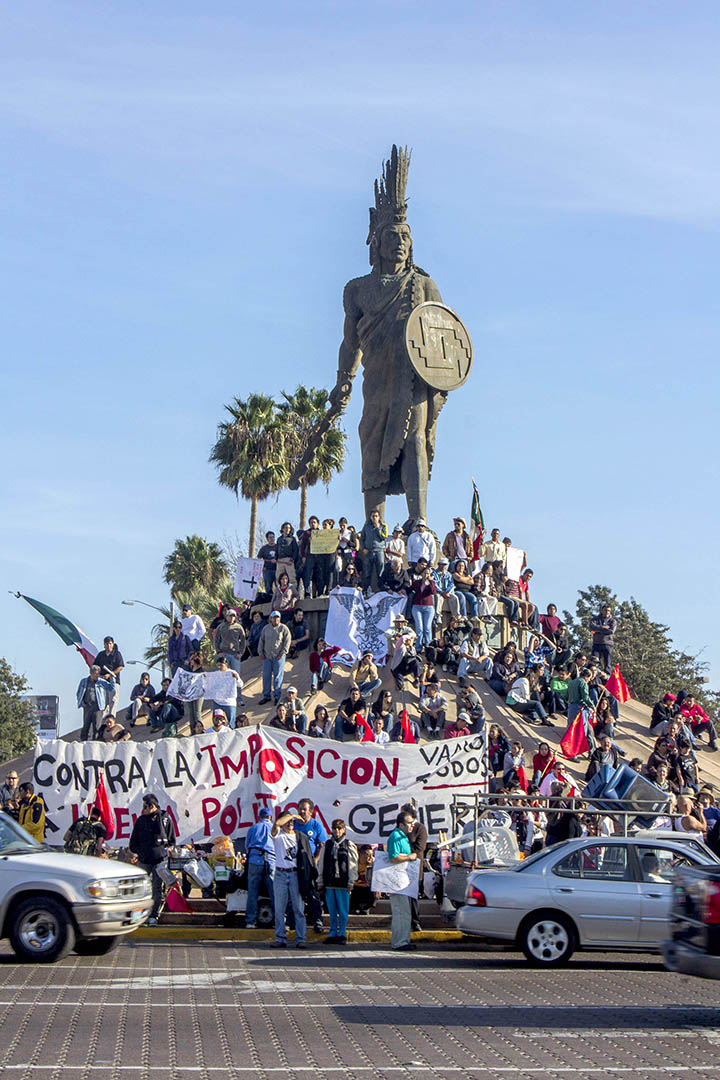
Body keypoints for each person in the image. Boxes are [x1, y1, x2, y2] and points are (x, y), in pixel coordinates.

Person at [270, 809, 314, 949]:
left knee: (298, 908)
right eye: (287, 820)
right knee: (279, 908)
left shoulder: (299, 836)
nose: (290, 823)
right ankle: (280, 937)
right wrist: (293, 815)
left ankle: (301, 938)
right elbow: (277, 824)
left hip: (295, 874)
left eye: (292, 821)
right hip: (280, 874)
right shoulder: (278, 836)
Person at [128, 793, 176, 925]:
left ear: (152, 806)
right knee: (140, 888)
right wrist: (139, 853)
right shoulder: (141, 820)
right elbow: (133, 842)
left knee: (156, 888)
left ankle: (153, 915)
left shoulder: (165, 819)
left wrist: (167, 851)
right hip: (144, 860)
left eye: (145, 806)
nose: (143, 810)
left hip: (160, 860)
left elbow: (171, 840)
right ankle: (137, 915)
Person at [318, 818, 358, 945]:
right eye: (334, 828)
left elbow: (353, 864)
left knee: (343, 910)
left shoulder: (348, 845)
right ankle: (333, 933)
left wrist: (351, 881)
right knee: (332, 910)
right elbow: (322, 864)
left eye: (339, 828)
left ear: (344, 830)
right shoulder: (327, 845)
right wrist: (320, 880)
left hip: (342, 883)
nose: (337, 831)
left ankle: (342, 933)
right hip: (330, 882)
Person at [386, 810, 418, 951]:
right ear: (401, 824)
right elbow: (393, 857)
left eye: (413, 823)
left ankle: (404, 939)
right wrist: (409, 857)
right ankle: (399, 942)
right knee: (400, 912)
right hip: (397, 881)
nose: (412, 826)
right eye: (409, 823)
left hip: (404, 881)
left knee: (405, 912)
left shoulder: (404, 837)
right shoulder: (395, 836)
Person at [244, 807, 276, 929]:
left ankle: (250, 921)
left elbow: (247, 846)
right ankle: (279, 920)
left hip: (254, 861)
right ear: (270, 817)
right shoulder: (274, 828)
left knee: (252, 893)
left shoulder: (253, 828)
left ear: (259, 817)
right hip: (271, 861)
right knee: (274, 893)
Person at [258, 611, 291, 706]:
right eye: (274, 617)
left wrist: (283, 652)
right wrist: (260, 652)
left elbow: (287, 641)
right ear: (270, 618)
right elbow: (261, 641)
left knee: (277, 677)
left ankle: (277, 697)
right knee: (266, 676)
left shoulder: (283, 628)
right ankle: (266, 696)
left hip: (278, 657)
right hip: (267, 657)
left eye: (277, 617)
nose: (276, 619)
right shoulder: (266, 628)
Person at [76, 665, 115, 740]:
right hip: (87, 706)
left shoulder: (101, 682)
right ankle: (83, 741)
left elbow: (112, 688)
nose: (97, 676)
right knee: (86, 726)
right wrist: (81, 702)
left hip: (97, 707)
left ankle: (95, 742)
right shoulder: (84, 681)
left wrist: (112, 677)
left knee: (97, 726)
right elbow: (78, 693)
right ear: (91, 673)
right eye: (95, 674)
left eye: (98, 674)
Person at [214, 609, 247, 685]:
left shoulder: (239, 627)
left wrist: (240, 653)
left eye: (233, 616)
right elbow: (216, 640)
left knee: (236, 676)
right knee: (222, 676)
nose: (231, 617)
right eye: (230, 616)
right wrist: (218, 652)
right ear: (226, 616)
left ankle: (238, 696)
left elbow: (243, 641)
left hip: (235, 655)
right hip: (223, 654)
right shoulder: (221, 627)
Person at [93, 636, 124, 714]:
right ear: (104, 645)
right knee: (103, 701)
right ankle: (104, 720)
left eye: (110, 643)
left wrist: (110, 674)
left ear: (113, 644)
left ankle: (112, 717)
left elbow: (120, 666)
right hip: (102, 681)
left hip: (113, 681)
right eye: (106, 644)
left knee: (113, 700)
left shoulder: (117, 654)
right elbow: (95, 666)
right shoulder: (101, 655)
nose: (108, 645)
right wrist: (98, 675)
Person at [360, 509, 388, 593]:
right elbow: (362, 538)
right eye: (373, 516)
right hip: (368, 551)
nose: (374, 518)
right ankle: (365, 589)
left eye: (376, 516)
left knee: (380, 571)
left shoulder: (383, 526)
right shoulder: (366, 526)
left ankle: (381, 588)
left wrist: (377, 528)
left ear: (379, 517)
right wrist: (363, 548)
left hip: (379, 551)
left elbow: (384, 537)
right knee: (367, 571)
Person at [409, 563, 436, 648]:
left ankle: (429, 646)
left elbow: (433, 591)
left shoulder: (431, 583)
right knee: (419, 628)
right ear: (421, 574)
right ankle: (418, 647)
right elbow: (410, 589)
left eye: (428, 573)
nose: (426, 575)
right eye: (424, 573)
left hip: (428, 607)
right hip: (417, 607)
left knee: (427, 628)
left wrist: (430, 581)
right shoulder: (417, 583)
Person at [589, 604, 616, 672]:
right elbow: (592, 627)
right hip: (597, 643)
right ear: (602, 611)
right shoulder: (595, 619)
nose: (607, 612)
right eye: (605, 610)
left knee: (607, 664)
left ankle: (607, 678)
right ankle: (593, 676)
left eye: (609, 610)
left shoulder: (612, 621)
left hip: (607, 644)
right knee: (594, 662)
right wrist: (603, 627)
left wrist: (598, 629)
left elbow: (611, 631)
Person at [275, 522, 299, 586]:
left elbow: (295, 550)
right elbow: (277, 549)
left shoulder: (292, 539)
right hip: (280, 561)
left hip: (288, 560)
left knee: (291, 577)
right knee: (279, 577)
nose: (287, 529)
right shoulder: (279, 539)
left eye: (289, 528)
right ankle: (280, 592)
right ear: (282, 529)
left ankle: (293, 593)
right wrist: (276, 559)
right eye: (286, 528)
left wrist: (292, 560)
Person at [257, 530, 279, 595]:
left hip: (277, 569)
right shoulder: (264, 548)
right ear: (267, 539)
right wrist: (262, 567)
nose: (272, 539)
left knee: (278, 585)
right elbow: (258, 559)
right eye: (270, 537)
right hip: (267, 570)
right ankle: (269, 598)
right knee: (268, 586)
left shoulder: (278, 547)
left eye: (273, 537)